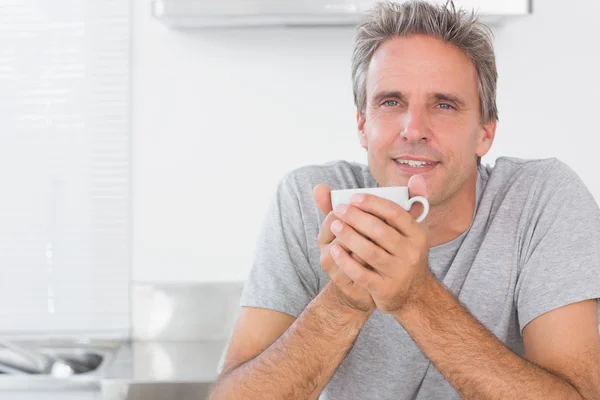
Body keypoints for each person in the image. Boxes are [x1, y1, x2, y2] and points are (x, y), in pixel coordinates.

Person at [209, 1, 600, 399]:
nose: (414, 130)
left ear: (485, 133)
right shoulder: (306, 201)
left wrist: (416, 297)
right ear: (363, 125)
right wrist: (344, 300)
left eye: (444, 104)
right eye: (391, 102)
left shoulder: (541, 200)